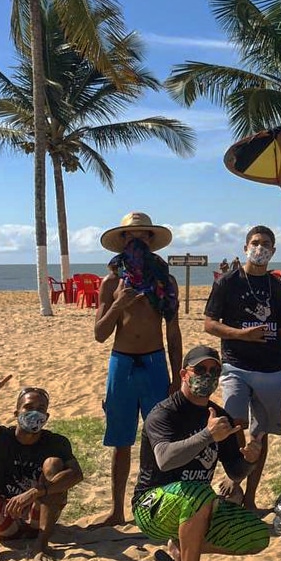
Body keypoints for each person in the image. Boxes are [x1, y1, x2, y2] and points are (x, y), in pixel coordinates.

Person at [133, 345, 269, 561]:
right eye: (201, 370)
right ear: (184, 374)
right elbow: (164, 458)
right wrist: (206, 436)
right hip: (151, 506)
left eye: (214, 371)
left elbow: (234, 472)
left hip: (193, 506)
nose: (207, 376)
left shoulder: (221, 417)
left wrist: (251, 460)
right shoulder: (164, 413)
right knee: (199, 492)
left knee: (256, 535)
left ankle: (180, 550)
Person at [93, 211, 182, 527]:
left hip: (156, 363)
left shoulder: (164, 281)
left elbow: (172, 330)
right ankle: (117, 509)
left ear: (151, 241)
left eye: (143, 236)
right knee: (120, 442)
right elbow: (100, 334)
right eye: (131, 237)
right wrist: (118, 304)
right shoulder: (111, 282)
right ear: (122, 241)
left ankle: (157, 505)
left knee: (160, 440)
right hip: (123, 364)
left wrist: (177, 376)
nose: (137, 242)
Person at [203, 225, 281, 510]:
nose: (260, 248)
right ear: (245, 247)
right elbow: (209, 324)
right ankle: (234, 479)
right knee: (232, 427)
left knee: (260, 434)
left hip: (271, 371)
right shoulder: (227, 283)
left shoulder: (277, 288)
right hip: (235, 367)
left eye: (266, 244)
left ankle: (250, 498)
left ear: (273, 251)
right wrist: (242, 335)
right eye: (255, 243)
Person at [0, 376, 84, 561]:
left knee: (53, 464)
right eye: (28, 407)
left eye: (41, 408)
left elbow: (76, 474)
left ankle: (41, 545)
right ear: (16, 412)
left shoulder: (56, 442)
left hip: (38, 518)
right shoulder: (2, 438)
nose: (35, 412)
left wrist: (37, 491)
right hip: (4, 516)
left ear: (47, 416)